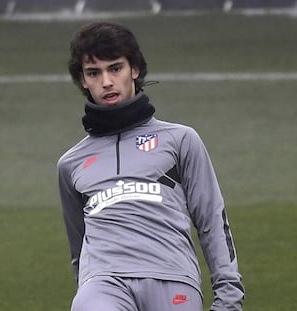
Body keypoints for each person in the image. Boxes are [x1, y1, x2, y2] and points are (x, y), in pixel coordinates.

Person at [57, 22, 245, 311]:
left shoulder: (181, 140)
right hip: (104, 282)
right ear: (83, 80)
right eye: (94, 72)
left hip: (173, 278)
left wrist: (229, 299)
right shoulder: (71, 164)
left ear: (135, 69)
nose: (106, 81)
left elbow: (212, 222)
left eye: (115, 68)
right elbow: (78, 249)